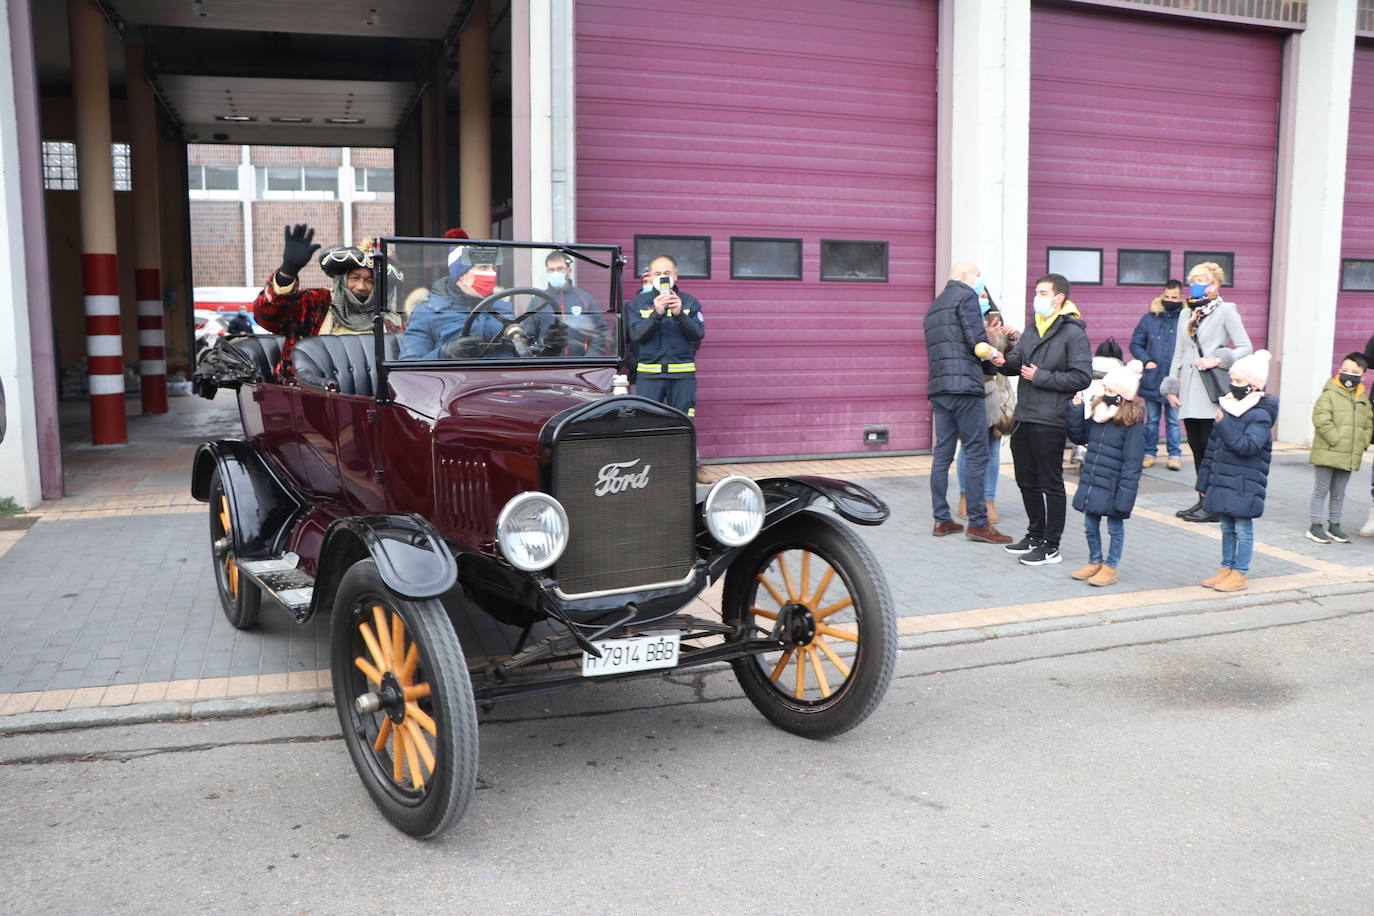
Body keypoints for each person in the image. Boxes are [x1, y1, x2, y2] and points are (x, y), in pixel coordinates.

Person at [998, 273, 1093, 566]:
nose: (1036, 297)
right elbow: (1018, 364)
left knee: (1050, 482)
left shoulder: (1072, 332)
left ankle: (1052, 545)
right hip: (1025, 415)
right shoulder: (1033, 327)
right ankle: (1034, 534)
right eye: (1036, 291)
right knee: (1025, 479)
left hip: (1051, 417)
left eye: (1042, 292)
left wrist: (1041, 376)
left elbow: (1082, 376)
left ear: (1059, 298)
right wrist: (1001, 357)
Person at [922, 261, 1012, 544]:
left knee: (943, 454)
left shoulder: (934, 307)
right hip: (965, 388)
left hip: (939, 389)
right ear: (962, 276)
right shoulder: (966, 296)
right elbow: (977, 342)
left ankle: (941, 519)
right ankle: (978, 522)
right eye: (977, 276)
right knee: (976, 451)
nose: (980, 283)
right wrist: (994, 357)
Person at [1159, 261, 1253, 523]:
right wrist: (1171, 386)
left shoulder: (1226, 310)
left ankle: (1215, 504)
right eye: (1193, 279)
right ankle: (1203, 499)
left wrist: (1219, 358)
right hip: (1189, 390)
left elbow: (1246, 346)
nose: (1195, 283)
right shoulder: (1185, 312)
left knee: (1212, 449)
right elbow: (1178, 352)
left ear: (1215, 284)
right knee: (1197, 447)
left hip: (1211, 389)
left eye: (1201, 279)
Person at [252, 224, 399, 379]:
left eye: (370, 281)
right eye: (355, 278)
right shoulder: (315, 302)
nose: (361, 287)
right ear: (342, 279)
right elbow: (267, 318)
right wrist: (288, 272)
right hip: (311, 392)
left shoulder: (388, 320)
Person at [1195, 350, 1277, 592]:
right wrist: (1204, 483)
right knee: (1226, 526)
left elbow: (1248, 447)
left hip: (1245, 483)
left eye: (1240, 382)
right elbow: (1211, 450)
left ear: (1254, 385)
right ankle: (1226, 567)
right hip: (1222, 481)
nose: (1234, 386)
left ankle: (1240, 572)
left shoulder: (1260, 415)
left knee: (1242, 528)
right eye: (1233, 380)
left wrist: (1225, 425)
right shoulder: (1228, 409)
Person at [400, 244, 569, 360]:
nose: (491, 274)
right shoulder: (427, 312)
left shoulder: (504, 309)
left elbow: (524, 359)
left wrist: (551, 348)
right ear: (461, 274)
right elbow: (407, 368)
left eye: (493, 268)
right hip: (452, 395)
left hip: (503, 390)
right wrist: (445, 353)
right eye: (483, 268)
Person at [1064, 360, 1148, 587]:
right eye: (1105, 390)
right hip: (1094, 479)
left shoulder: (1132, 424)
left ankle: (1110, 567)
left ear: (1123, 395)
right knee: (1090, 524)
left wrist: (1125, 496)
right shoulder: (1099, 413)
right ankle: (1095, 561)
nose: (1106, 394)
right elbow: (1081, 437)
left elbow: (1133, 464)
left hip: (1114, 484)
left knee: (1114, 527)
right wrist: (1075, 411)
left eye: (1111, 391)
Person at [956, 307, 1017, 524]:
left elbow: (1010, 359)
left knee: (993, 444)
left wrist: (1012, 339)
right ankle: (965, 496)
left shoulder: (996, 322)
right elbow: (963, 356)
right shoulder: (963, 322)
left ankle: (989, 499)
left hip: (998, 393)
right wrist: (985, 338)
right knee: (969, 445)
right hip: (973, 390)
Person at [1306, 352, 1372, 544]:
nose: (1348, 374)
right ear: (1338, 371)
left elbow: (1368, 424)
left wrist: (1361, 442)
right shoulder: (1329, 393)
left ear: (1363, 376)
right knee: (1321, 489)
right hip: (1328, 451)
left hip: (1349, 454)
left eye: (1354, 371)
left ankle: (1335, 525)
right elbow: (1321, 419)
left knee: (1339, 492)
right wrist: (1336, 440)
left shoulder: (1362, 399)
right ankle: (1315, 526)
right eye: (1345, 370)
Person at [626, 255, 704, 417]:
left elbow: (697, 334)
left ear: (675, 276)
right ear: (651, 276)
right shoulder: (637, 303)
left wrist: (679, 315)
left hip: (682, 376)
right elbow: (635, 336)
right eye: (658, 273)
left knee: (683, 424)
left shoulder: (689, 302)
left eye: (667, 273)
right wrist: (656, 313)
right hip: (649, 376)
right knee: (647, 424)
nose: (663, 277)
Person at [1130, 279, 1185, 470]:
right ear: (1162, 295)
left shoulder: (1186, 319)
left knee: (1173, 421)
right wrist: (1147, 361)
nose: (1170, 300)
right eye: (1167, 296)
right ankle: (1149, 453)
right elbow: (1135, 344)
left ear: (1181, 298)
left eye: (1174, 297)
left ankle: (1175, 455)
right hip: (1152, 379)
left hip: (1175, 380)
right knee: (1152, 420)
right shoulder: (1149, 318)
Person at [541, 251, 608, 356]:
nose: (555, 273)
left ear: (569, 270)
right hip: (548, 366)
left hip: (578, 366)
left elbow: (600, 330)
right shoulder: (539, 300)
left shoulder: (584, 298)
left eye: (560, 269)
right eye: (551, 270)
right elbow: (528, 334)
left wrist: (589, 358)